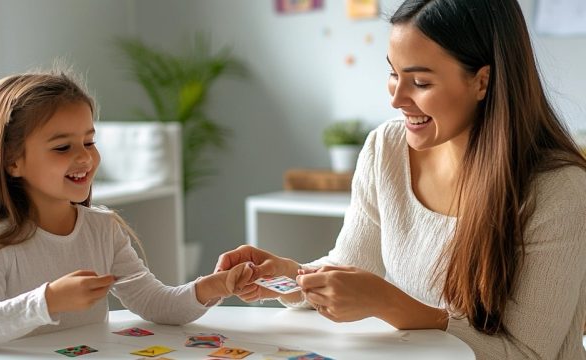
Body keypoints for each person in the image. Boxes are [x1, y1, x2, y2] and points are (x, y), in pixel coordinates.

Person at [216, 0, 586, 358]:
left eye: (421, 82)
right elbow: (353, 266)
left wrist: (388, 303)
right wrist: (292, 276)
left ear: (482, 82)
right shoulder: (386, 149)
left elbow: (526, 353)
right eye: (393, 73)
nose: (396, 98)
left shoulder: (559, 191)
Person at [0, 69, 254, 350]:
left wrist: (212, 287)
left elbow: (155, 303)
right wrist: (49, 300)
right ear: (13, 161)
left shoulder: (103, 229)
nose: (85, 158)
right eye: (62, 147)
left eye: (89, 142)